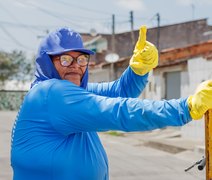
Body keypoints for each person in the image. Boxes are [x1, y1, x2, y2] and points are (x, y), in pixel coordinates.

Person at [11, 26, 212, 180]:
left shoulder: (69, 95)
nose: (75, 66)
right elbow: (118, 111)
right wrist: (185, 108)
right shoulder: (51, 93)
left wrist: (138, 69)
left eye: (81, 59)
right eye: (65, 59)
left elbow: (117, 93)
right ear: (47, 63)